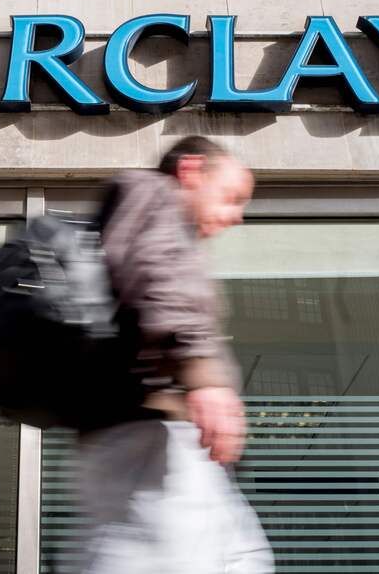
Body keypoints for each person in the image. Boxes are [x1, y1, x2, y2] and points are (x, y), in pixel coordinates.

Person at [77, 136, 274, 574]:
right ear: (190, 171)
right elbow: (159, 277)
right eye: (231, 197)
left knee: (239, 557)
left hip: (154, 437)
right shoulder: (154, 196)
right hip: (151, 437)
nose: (237, 216)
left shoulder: (152, 214)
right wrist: (204, 377)